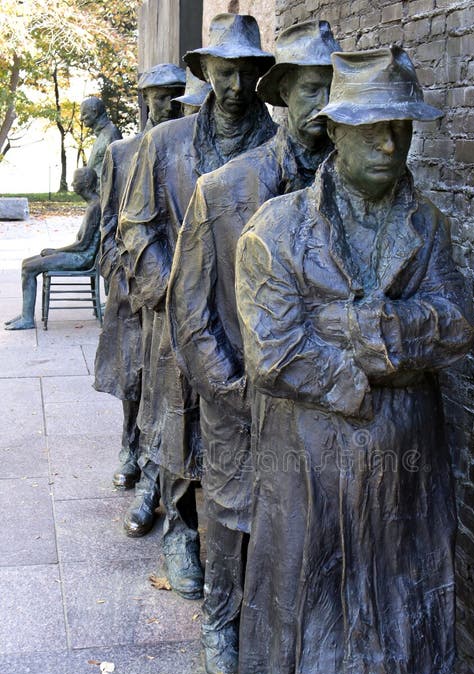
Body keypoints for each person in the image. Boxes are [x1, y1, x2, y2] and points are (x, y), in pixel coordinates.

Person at [235, 47, 474, 674]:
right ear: (334, 130)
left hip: (408, 454)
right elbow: (276, 353)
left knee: (411, 586)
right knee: (303, 587)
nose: (389, 142)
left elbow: (457, 326)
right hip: (309, 456)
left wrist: (363, 329)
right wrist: (372, 379)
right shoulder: (277, 230)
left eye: (401, 127)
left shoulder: (428, 226)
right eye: (373, 126)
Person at [168, 21, 340, 674]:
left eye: (335, 90)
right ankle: (220, 620)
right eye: (312, 89)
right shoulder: (223, 188)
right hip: (239, 394)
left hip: (321, 401)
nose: (324, 105)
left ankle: (304, 636)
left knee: (311, 522)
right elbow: (190, 310)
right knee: (231, 509)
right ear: (285, 93)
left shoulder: (354, 190)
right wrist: (230, 388)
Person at [118, 14, 276, 599]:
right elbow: (137, 227)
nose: (235, 85)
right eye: (224, 72)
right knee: (177, 423)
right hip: (175, 312)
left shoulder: (276, 149)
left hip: (247, 317)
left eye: (246, 73)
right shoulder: (165, 144)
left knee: (239, 427)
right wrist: (176, 292)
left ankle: (241, 537)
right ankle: (181, 530)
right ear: (205, 71)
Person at [93, 64, 186, 492]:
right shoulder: (121, 152)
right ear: (146, 101)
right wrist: (121, 274)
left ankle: (161, 461)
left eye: (176, 95)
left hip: (173, 283)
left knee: (164, 379)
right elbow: (108, 223)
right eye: (160, 96)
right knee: (132, 373)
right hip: (131, 286)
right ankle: (129, 448)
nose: (169, 105)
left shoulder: (186, 151)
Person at [5, 167, 100, 331]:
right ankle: (25, 314)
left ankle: (27, 319)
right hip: (80, 254)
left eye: (75, 181)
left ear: (85, 183)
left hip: (82, 258)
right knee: (26, 263)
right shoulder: (93, 204)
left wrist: (56, 251)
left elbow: (83, 245)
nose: (72, 184)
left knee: (29, 268)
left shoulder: (95, 207)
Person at [80, 97, 122, 187]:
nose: (81, 118)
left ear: (95, 113)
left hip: (104, 192)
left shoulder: (111, 133)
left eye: (84, 114)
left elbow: (118, 170)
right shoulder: (101, 135)